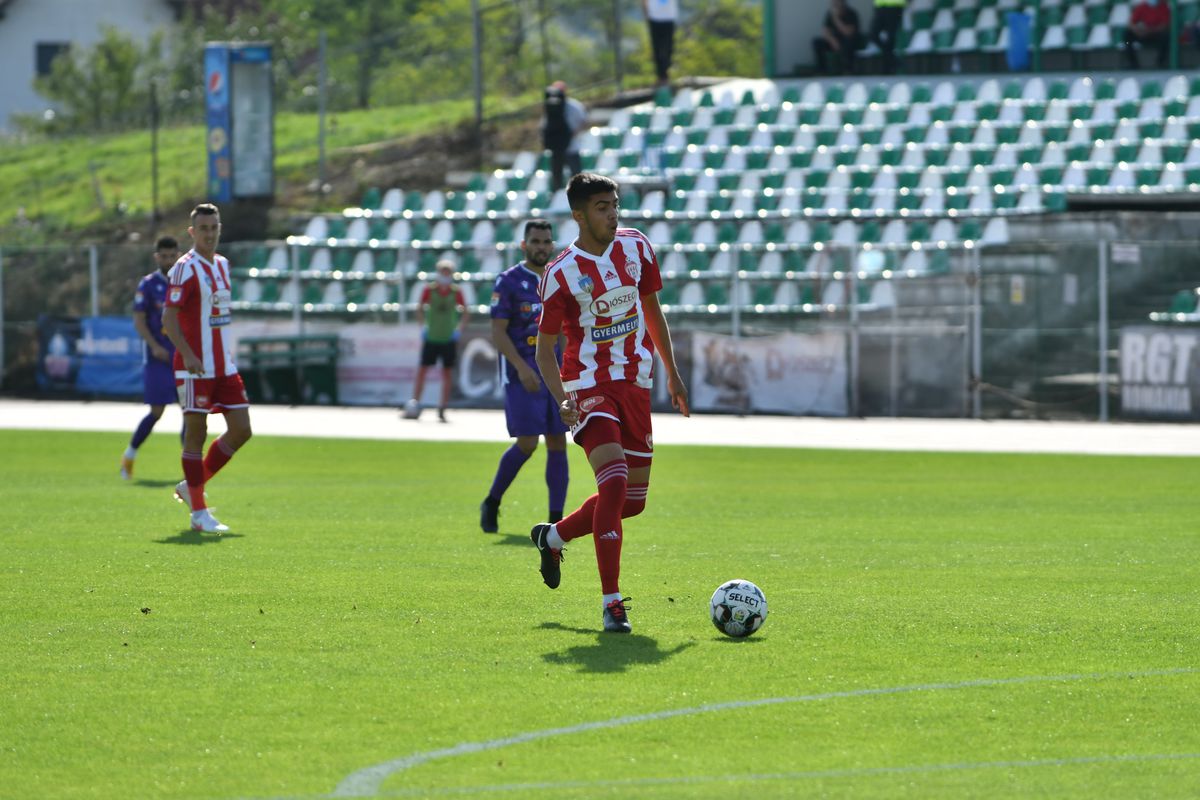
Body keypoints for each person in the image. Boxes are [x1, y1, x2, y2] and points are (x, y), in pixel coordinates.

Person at [530, 173, 689, 634]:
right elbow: (545, 349)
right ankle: (611, 602)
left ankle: (554, 536)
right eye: (602, 207)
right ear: (579, 215)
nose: (612, 213)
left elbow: (652, 309)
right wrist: (562, 399)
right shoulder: (561, 272)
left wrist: (673, 374)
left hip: (636, 385)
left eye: (615, 204)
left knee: (631, 503)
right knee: (615, 480)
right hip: (587, 388)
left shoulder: (637, 247)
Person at [161, 203, 252, 534]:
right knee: (195, 435)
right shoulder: (184, 268)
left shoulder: (224, 265)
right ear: (192, 232)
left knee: (242, 429)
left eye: (214, 227)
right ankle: (199, 514)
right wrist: (189, 355)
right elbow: (168, 319)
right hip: (193, 367)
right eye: (203, 229)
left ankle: (191, 486)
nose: (209, 234)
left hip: (222, 365)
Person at [479, 220, 570, 533]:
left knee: (558, 441)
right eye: (535, 241)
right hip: (523, 373)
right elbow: (498, 331)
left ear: (552, 244)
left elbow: (564, 331)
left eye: (546, 241)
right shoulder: (508, 282)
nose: (541, 246)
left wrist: (569, 371)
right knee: (528, 442)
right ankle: (492, 501)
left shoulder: (560, 278)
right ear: (524, 245)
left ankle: (556, 522)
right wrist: (520, 367)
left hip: (555, 373)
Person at [119, 235, 181, 480]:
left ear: (178, 255)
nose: (168, 260)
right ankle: (130, 455)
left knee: (190, 411)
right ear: (157, 257)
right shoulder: (147, 284)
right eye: (163, 256)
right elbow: (139, 320)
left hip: (182, 357)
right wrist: (154, 346)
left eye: (172, 255)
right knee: (157, 412)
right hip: (158, 358)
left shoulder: (185, 282)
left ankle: (191, 468)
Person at [403, 259, 469, 422]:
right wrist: (423, 326)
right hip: (432, 336)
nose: (445, 276)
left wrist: (458, 330)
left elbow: (466, 312)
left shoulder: (456, 291)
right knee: (423, 370)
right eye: (443, 272)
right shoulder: (430, 289)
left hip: (448, 338)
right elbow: (419, 308)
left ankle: (442, 406)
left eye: (448, 273)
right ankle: (415, 403)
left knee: (446, 373)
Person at [541, 81, 587, 194]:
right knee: (557, 176)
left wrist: (572, 134)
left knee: (576, 176)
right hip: (557, 148)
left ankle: (578, 196)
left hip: (572, 146)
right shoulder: (551, 107)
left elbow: (583, 120)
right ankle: (557, 196)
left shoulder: (574, 106)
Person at [813, 0, 863, 75]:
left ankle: (848, 70)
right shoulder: (830, 14)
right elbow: (825, 31)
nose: (834, 3)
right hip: (834, 41)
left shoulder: (851, 13)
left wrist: (836, 19)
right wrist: (832, 41)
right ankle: (822, 70)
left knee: (848, 43)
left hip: (850, 41)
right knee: (817, 43)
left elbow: (848, 32)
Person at [1123, 0, 1171, 69]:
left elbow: (1165, 25)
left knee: (1166, 37)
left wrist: (1151, 30)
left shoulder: (1164, 7)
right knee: (1127, 36)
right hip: (1143, 34)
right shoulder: (1142, 6)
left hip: (1156, 34)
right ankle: (1133, 63)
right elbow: (1131, 23)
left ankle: (1161, 63)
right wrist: (1137, 31)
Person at [642, 0, 679, 88]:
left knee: (668, 48)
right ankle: (661, 77)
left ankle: (666, 75)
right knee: (657, 49)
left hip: (669, 17)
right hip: (654, 17)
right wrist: (646, 13)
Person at [869, 0, 906, 75]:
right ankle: (892, 59)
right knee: (873, 35)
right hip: (880, 5)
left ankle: (888, 68)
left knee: (890, 38)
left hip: (895, 5)